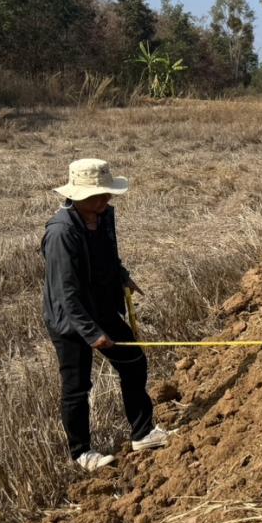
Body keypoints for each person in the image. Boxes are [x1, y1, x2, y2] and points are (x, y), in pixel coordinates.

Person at [42, 158, 169, 471]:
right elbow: (65, 293)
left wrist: (122, 275)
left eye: (107, 193)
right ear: (80, 196)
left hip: (102, 307)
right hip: (71, 321)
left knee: (134, 361)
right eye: (101, 194)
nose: (108, 199)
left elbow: (106, 256)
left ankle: (143, 432)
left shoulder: (102, 216)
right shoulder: (61, 233)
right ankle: (82, 453)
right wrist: (92, 333)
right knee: (77, 387)